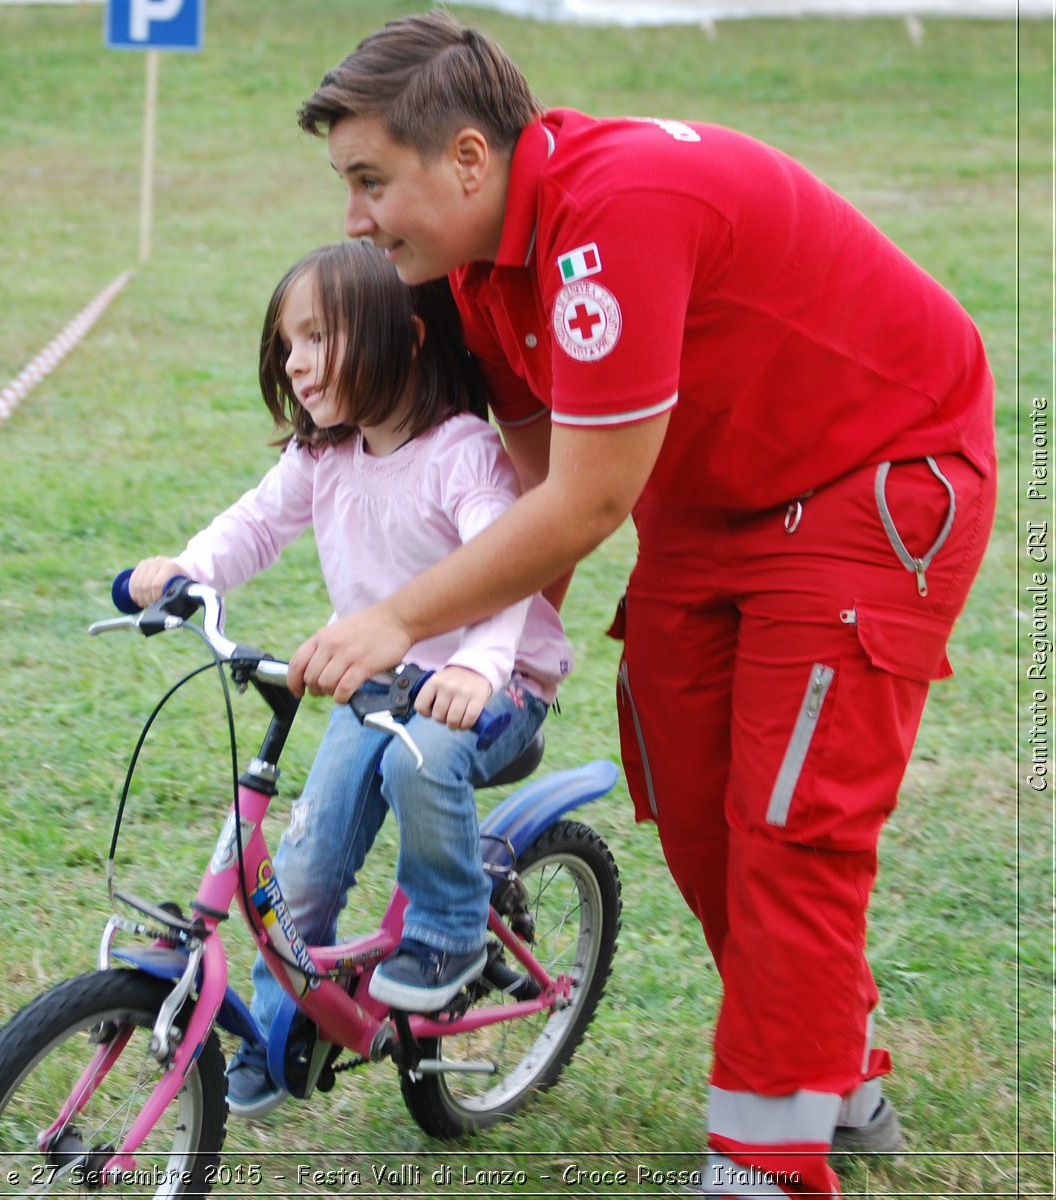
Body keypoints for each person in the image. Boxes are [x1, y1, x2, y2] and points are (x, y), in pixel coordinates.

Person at [286, 11, 995, 1199]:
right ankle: (837, 1071)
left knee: (789, 819)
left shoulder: (614, 212)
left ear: (466, 159)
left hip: (868, 476)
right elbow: (530, 479)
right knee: (694, 797)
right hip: (715, 492)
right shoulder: (470, 267)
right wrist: (487, 654)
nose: (353, 219)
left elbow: (587, 498)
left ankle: (767, 1161)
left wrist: (399, 622)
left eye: (369, 182)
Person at [127, 239, 572, 1116]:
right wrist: (186, 570)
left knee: (420, 762)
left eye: (318, 337)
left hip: (498, 675)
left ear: (403, 339)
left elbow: (506, 566)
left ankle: (448, 935)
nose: (295, 361)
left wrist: (479, 668)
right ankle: (271, 1030)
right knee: (301, 865)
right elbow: (252, 526)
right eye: (287, 342)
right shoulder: (323, 458)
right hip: (382, 680)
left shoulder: (461, 454)